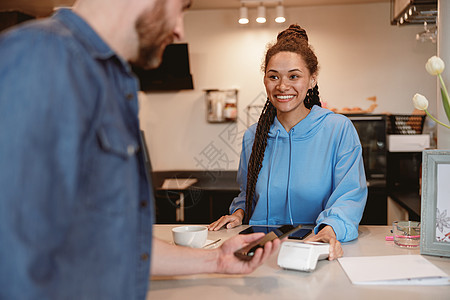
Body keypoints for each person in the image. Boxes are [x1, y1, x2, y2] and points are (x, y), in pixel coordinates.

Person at [0, 1, 280, 299]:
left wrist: (217, 259)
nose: (179, 30)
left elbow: (114, 241)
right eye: (181, 7)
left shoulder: (111, 80)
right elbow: (14, 254)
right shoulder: (39, 57)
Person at [209, 24, 368, 260]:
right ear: (265, 80)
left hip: (314, 251)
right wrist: (240, 212)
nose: (282, 86)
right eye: (274, 76)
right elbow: (248, 193)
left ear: (312, 80)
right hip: (261, 253)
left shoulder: (338, 129)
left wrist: (330, 229)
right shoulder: (254, 137)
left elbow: (349, 195)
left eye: (294, 76)